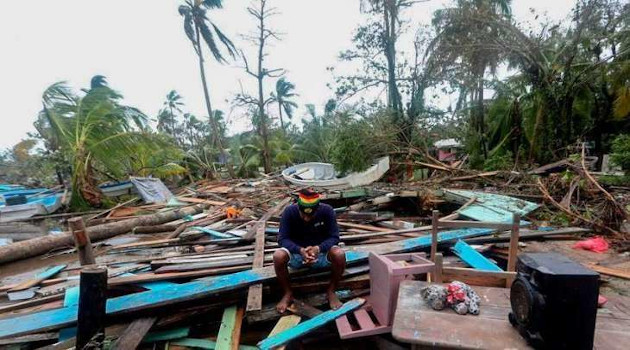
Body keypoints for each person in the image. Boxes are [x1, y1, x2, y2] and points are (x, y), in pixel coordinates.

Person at [273, 189, 346, 313]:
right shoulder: (289, 212)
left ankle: (331, 291)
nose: (307, 219)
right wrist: (300, 250)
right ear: (298, 208)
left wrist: (318, 248)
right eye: (303, 215)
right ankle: (288, 292)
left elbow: (334, 237)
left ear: (317, 209)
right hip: (297, 254)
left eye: (311, 215)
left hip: (321, 253)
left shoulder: (327, 210)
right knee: (278, 256)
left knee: (339, 254)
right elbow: (282, 239)